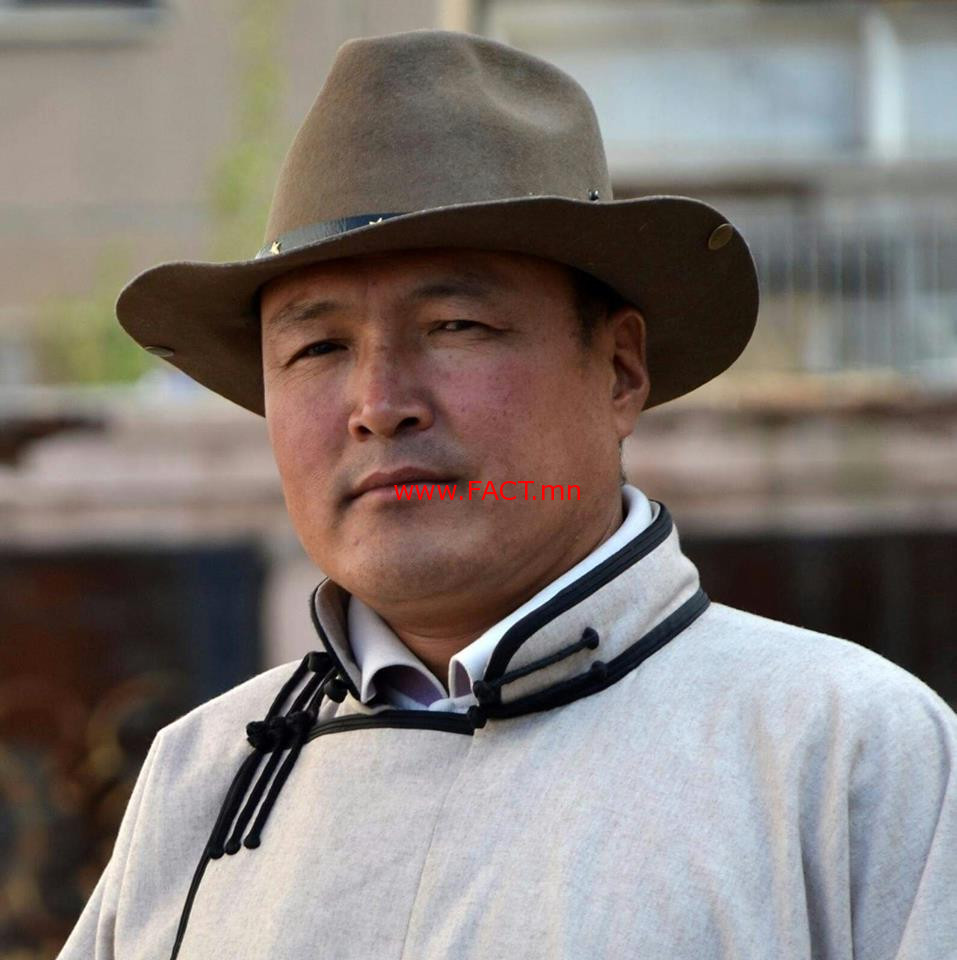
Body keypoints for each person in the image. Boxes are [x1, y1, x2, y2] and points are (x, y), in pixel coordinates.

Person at [57, 28, 956, 960]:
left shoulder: (842, 754)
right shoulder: (203, 776)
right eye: (317, 347)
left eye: (456, 324)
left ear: (618, 369)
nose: (379, 406)